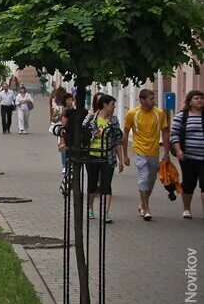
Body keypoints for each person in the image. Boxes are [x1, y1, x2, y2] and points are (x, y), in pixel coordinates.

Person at [122, 88, 170, 221]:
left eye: (154, 98)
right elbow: (125, 133)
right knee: (144, 177)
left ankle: (143, 203)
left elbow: (165, 132)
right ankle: (146, 209)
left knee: (151, 179)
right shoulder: (133, 113)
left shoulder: (159, 113)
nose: (153, 101)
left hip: (154, 151)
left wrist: (166, 152)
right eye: (151, 98)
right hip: (139, 150)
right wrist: (125, 154)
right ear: (142, 100)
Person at [83, 95, 124, 223]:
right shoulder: (91, 119)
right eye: (112, 104)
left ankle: (105, 213)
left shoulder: (113, 121)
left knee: (106, 185)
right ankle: (90, 208)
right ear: (105, 105)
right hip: (92, 155)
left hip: (108, 156)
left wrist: (121, 159)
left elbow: (118, 140)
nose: (114, 107)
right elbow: (83, 135)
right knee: (92, 184)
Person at [170, 89, 204, 219]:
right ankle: (187, 209)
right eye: (196, 98)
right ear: (190, 101)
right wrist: (178, 150)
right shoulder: (182, 116)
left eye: (201, 98)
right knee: (189, 184)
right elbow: (175, 135)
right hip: (188, 157)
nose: (199, 100)